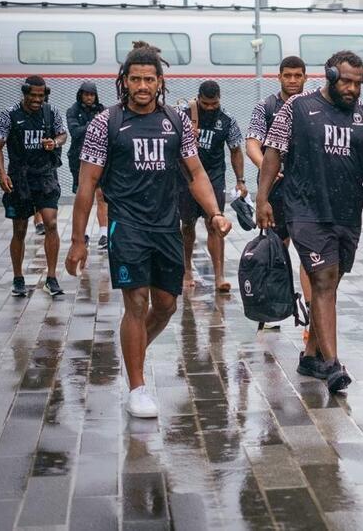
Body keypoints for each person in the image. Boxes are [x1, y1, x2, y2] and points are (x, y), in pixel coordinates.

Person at [65, 41, 231, 418]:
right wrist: (78, 241)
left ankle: (133, 351)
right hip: (128, 226)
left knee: (167, 305)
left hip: (166, 226)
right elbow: (87, 185)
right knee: (136, 300)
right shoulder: (105, 123)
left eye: (149, 79)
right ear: (124, 81)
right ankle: (138, 387)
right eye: (135, 79)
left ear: (160, 82)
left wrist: (215, 213)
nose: (142, 86)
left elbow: (196, 173)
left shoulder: (176, 122)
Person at [257, 50, 363, 393]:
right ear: (330, 76)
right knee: (323, 280)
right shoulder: (298, 108)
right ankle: (333, 365)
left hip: (347, 212)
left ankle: (311, 355)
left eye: (357, 83)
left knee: (331, 284)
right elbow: (272, 153)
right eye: (345, 81)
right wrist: (262, 199)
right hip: (305, 209)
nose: (351, 89)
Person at [245, 56, 314, 315]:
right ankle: (272, 309)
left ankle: (310, 312)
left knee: (310, 252)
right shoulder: (266, 106)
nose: (293, 80)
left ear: (306, 77)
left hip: (306, 191)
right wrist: (267, 168)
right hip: (276, 191)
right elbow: (252, 142)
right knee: (274, 251)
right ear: (280, 77)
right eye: (288, 75)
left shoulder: (313, 106)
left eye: (298, 75)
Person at [0, 75, 67, 297]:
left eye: (40, 96)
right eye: (32, 95)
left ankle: (51, 278)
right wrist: (2, 174)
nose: (36, 99)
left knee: (51, 223)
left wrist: (55, 142)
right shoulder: (9, 114)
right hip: (19, 177)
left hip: (45, 175)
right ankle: (18, 278)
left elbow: (63, 135)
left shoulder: (51, 112)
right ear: (25, 94)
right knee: (20, 230)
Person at [180, 80, 246, 291]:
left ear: (220, 100)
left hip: (214, 177)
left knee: (215, 225)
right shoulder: (182, 115)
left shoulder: (227, 120)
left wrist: (240, 180)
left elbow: (236, 150)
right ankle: (187, 269)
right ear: (198, 98)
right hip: (187, 177)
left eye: (214, 104)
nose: (210, 108)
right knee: (187, 224)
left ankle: (219, 276)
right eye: (205, 104)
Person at [66, 80, 109, 249]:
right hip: (79, 159)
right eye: (86, 94)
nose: (89, 97)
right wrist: (93, 124)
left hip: (100, 157)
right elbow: (75, 132)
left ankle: (104, 234)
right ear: (81, 95)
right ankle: (82, 232)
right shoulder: (73, 111)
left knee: (101, 195)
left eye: (92, 94)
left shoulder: (102, 110)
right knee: (83, 195)